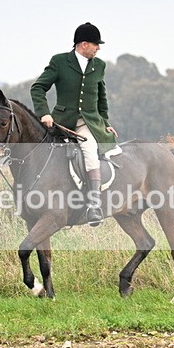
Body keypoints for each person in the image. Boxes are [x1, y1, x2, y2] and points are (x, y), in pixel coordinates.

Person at [30, 22, 119, 226]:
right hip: (60, 121)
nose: (99, 48)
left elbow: (101, 96)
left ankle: (94, 205)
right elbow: (38, 88)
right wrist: (44, 113)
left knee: (89, 150)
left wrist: (104, 122)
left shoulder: (100, 66)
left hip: (87, 122)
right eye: (96, 44)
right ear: (84, 44)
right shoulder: (60, 62)